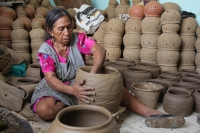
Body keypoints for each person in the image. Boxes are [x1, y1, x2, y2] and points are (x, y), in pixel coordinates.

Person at [31, 8, 184, 128]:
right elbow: (50, 78)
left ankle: (150, 113)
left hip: (79, 81)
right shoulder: (46, 50)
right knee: (46, 110)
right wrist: (73, 91)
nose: (67, 33)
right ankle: (75, 107)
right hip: (56, 86)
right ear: (50, 31)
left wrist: (93, 74)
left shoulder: (78, 39)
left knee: (111, 85)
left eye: (69, 27)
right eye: (61, 29)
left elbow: (100, 50)